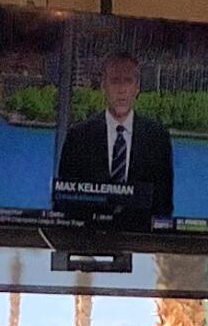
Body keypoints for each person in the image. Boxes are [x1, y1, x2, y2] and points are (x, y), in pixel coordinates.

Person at [53, 50, 175, 224]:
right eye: (115, 81)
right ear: (104, 86)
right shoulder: (78, 137)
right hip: (87, 238)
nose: (122, 89)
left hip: (140, 239)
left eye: (128, 81)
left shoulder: (157, 139)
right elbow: (64, 203)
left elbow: (163, 206)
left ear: (137, 87)